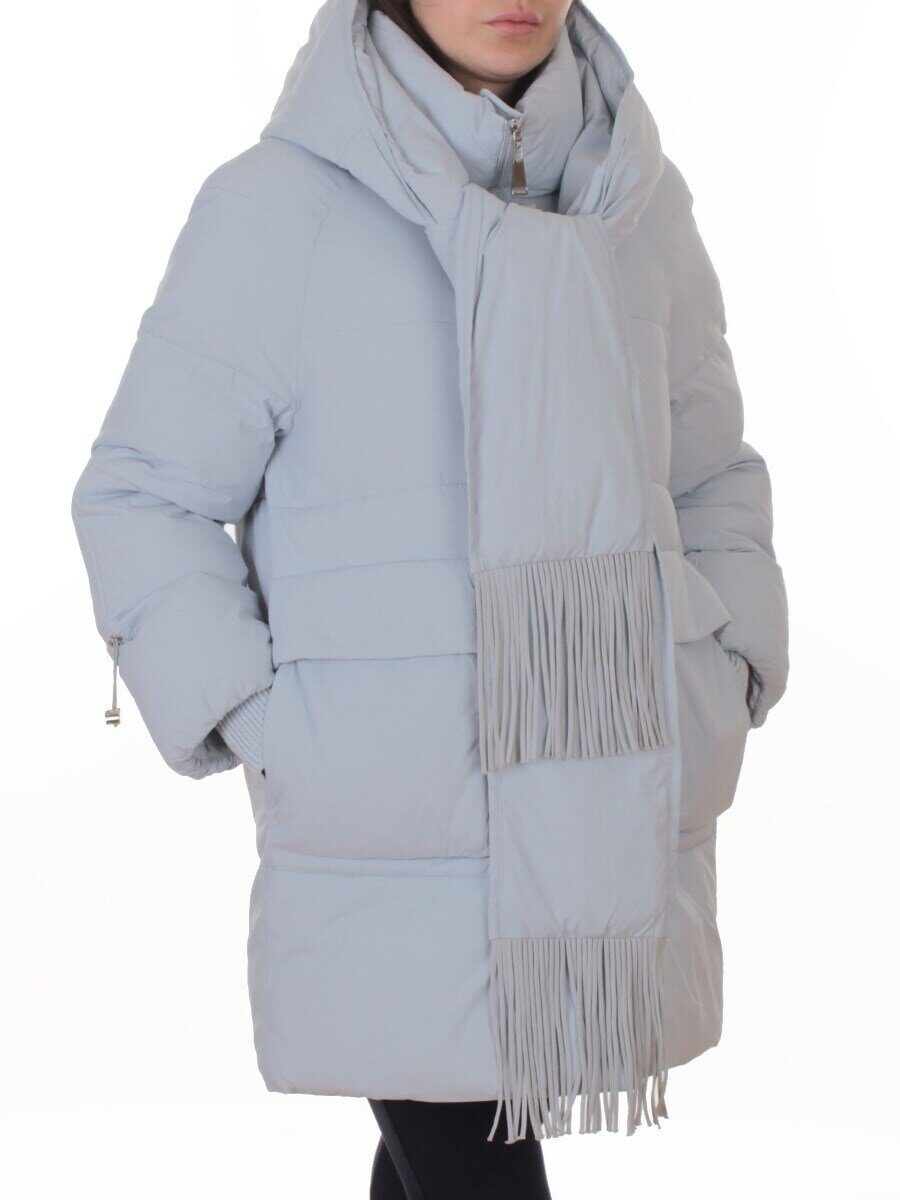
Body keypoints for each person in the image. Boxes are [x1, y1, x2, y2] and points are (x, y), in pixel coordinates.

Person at [71, 1, 789, 1195]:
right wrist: (268, 720)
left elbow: (708, 473)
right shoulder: (281, 208)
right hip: (391, 823)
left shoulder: (639, 204)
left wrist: (731, 662)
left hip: (608, 801)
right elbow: (144, 494)